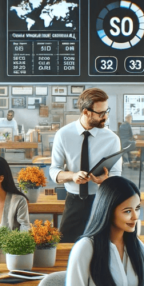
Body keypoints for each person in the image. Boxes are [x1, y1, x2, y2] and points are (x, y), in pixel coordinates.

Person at [50, 88, 122, 243]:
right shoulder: (63, 135)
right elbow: (54, 170)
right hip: (74, 202)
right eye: (101, 113)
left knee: (103, 251)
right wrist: (72, 176)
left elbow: (117, 173)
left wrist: (106, 179)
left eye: (107, 111)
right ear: (85, 112)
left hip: (102, 201)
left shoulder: (112, 139)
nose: (106, 116)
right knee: (66, 249)